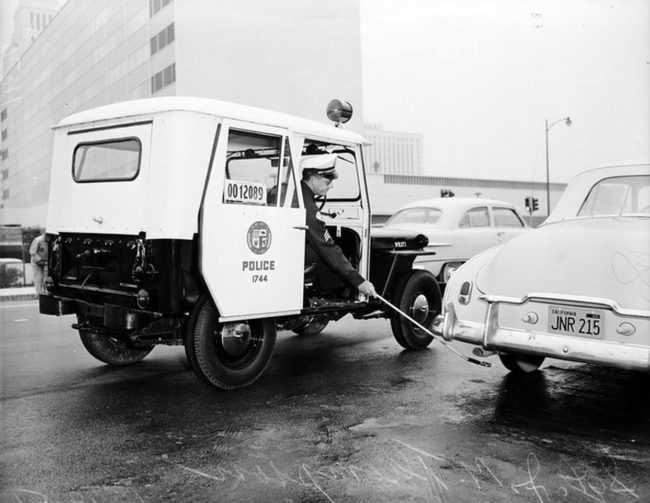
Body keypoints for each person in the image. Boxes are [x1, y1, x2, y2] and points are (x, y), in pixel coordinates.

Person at [300, 153, 377, 299]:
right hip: (293, 259)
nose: (331, 186)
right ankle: (331, 297)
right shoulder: (307, 205)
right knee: (327, 254)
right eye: (327, 181)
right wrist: (358, 281)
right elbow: (326, 246)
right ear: (313, 177)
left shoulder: (299, 194)